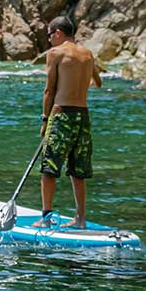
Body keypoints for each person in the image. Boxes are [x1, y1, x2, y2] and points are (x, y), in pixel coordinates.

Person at [33, 16, 102, 229]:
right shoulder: (87, 54)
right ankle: (80, 219)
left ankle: (45, 218)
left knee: (49, 168)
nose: (48, 40)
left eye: (49, 35)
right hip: (83, 117)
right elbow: (98, 82)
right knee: (77, 171)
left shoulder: (55, 53)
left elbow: (49, 90)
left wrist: (45, 120)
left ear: (58, 33)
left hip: (62, 115)